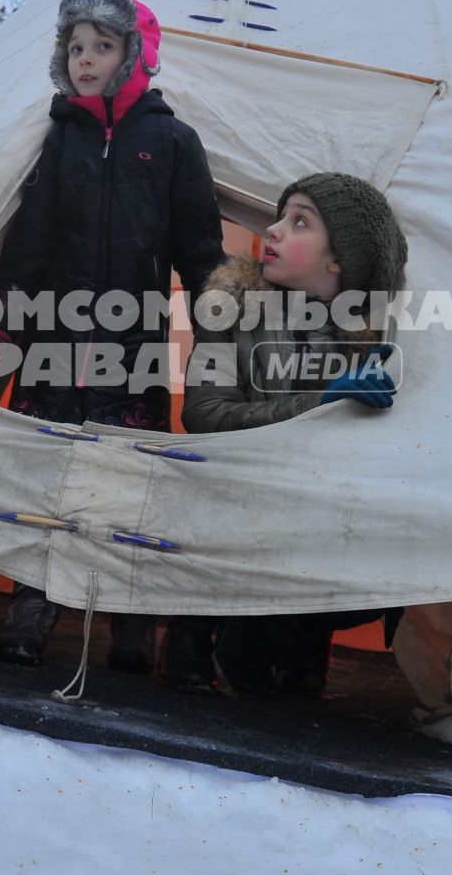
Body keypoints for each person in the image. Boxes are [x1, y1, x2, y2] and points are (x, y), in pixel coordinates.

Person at [0, 0, 227, 671]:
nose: (86, 58)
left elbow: (199, 245)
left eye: (103, 45)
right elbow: (28, 240)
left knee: (126, 481)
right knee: (49, 477)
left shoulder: (173, 141)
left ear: (135, 54)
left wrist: (220, 319)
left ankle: (124, 622)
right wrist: (2, 316)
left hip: (131, 346)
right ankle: (31, 606)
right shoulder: (59, 139)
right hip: (54, 342)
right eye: (76, 46)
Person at [163, 172, 409, 694]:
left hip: (312, 511)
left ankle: (304, 635)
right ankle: (193, 630)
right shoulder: (230, 307)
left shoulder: (373, 338)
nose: (272, 231)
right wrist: (319, 405)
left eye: (299, 222)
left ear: (338, 259)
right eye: (279, 217)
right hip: (235, 492)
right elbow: (204, 412)